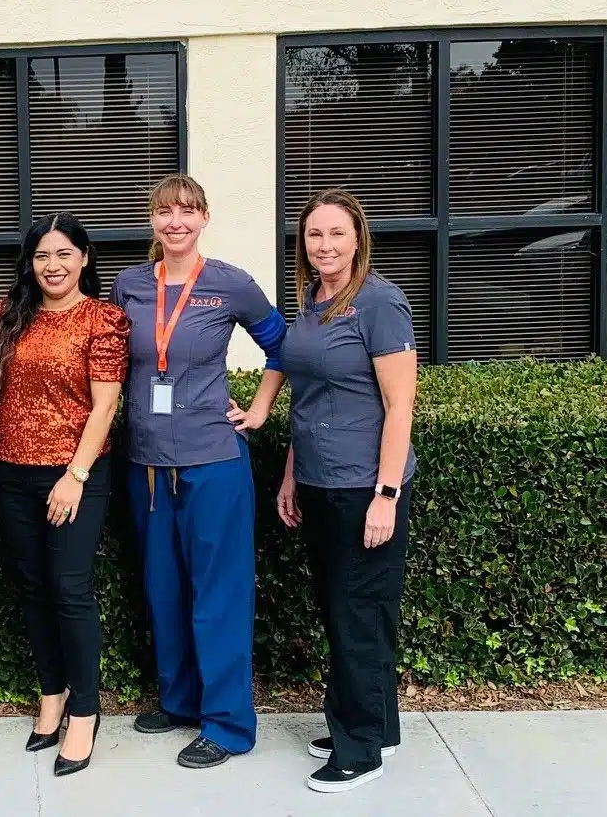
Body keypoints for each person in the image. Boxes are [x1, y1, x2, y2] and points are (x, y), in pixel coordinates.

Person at [109, 174, 288, 769]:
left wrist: (260, 407)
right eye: (164, 212)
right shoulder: (130, 284)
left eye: (187, 212)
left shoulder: (230, 284)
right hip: (148, 465)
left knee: (219, 595)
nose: (175, 223)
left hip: (213, 461)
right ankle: (181, 700)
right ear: (152, 220)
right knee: (164, 590)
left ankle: (229, 724)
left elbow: (282, 346)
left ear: (204, 217)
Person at [276, 188, 418, 794]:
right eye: (314, 235)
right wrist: (289, 474)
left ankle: (359, 751)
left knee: (355, 613)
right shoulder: (311, 301)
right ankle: (376, 724)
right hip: (318, 480)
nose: (325, 245)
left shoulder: (381, 302)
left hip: (365, 485)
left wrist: (386, 494)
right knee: (351, 610)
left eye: (336, 233)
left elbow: (400, 403)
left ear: (357, 238)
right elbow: (305, 396)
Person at [0, 213, 130, 777]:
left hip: (74, 476)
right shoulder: (7, 315)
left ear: (85, 259)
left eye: (64, 254)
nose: (53, 266)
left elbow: (105, 404)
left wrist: (76, 474)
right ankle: (52, 695)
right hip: (8, 472)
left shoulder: (104, 320)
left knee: (70, 588)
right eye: (42, 256)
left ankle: (85, 714)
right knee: (34, 587)